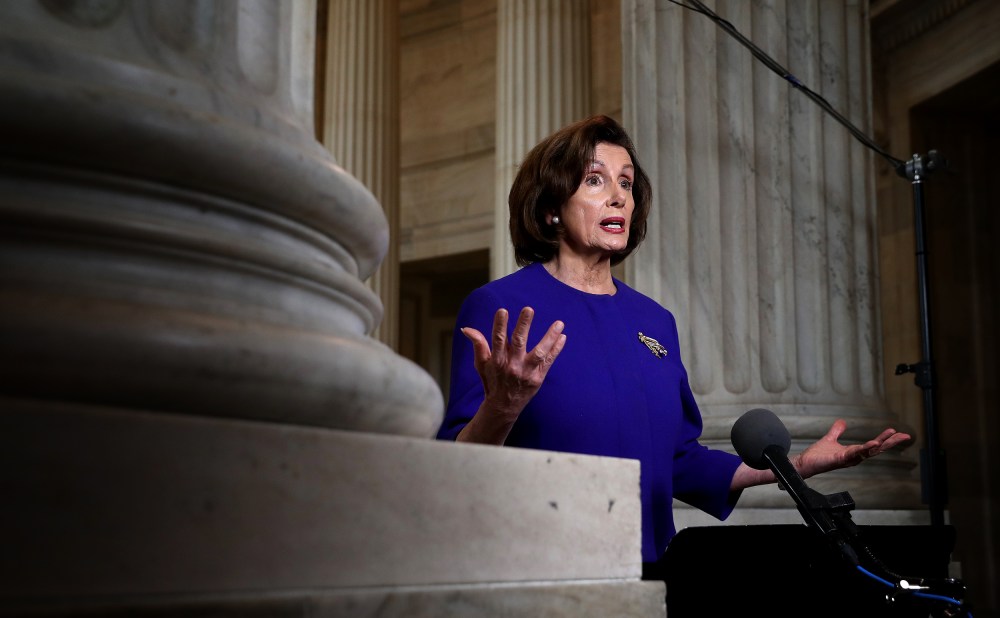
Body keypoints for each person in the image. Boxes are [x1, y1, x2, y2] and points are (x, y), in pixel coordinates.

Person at [435, 115, 911, 573]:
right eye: (596, 181)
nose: (619, 197)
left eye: (626, 183)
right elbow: (455, 468)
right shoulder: (501, 306)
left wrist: (794, 468)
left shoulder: (654, 321)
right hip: (538, 568)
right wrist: (503, 405)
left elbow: (678, 459)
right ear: (550, 208)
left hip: (652, 567)